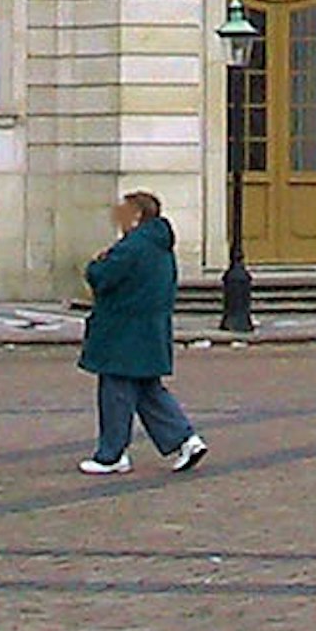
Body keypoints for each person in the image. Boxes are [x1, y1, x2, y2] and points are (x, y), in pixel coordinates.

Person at [76, 188, 205, 476]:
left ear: (136, 215)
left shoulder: (133, 247)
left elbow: (101, 277)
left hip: (123, 330)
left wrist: (96, 264)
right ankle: (186, 439)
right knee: (148, 390)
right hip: (149, 328)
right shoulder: (159, 246)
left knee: (116, 391)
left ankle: (112, 453)